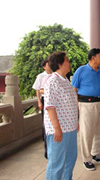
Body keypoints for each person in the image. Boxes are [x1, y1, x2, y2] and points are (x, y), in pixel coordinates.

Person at [43, 51, 78, 180]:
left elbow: (70, 103)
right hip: (59, 129)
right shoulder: (52, 81)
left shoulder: (66, 80)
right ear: (59, 64)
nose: (69, 62)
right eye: (67, 60)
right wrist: (57, 128)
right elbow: (50, 107)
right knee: (56, 163)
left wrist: (76, 122)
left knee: (70, 159)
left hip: (70, 127)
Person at [72, 48, 100, 171]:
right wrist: (76, 106)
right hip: (87, 104)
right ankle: (86, 159)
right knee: (87, 131)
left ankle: (95, 153)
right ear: (93, 58)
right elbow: (74, 89)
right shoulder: (81, 70)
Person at [32, 59, 52, 159]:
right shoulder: (41, 76)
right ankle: (46, 147)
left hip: (54, 101)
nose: (50, 66)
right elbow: (38, 90)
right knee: (46, 124)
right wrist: (39, 102)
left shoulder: (54, 75)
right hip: (45, 100)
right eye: (48, 64)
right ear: (44, 67)